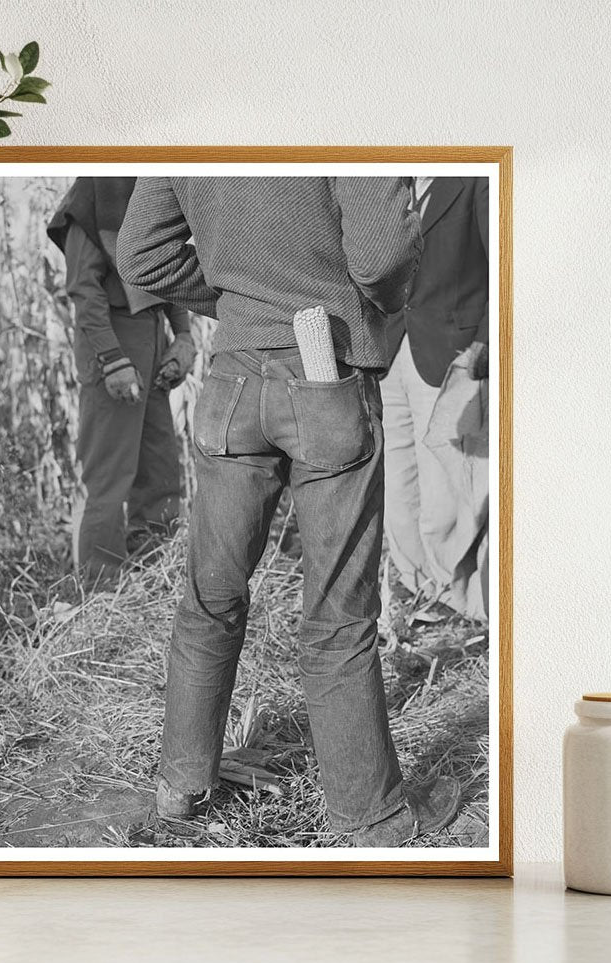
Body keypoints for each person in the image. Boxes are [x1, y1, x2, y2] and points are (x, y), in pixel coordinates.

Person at [118, 177, 462, 847]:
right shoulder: (340, 104)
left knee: (208, 598)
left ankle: (180, 791)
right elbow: (383, 254)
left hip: (232, 383)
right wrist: (374, 309)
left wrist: (237, 297)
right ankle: (374, 818)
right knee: (337, 615)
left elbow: (141, 255)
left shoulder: (189, 124)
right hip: (327, 374)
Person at [47, 177, 196, 585]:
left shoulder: (148, 190)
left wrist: (182, 337)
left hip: (153, 338)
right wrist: (113, 360)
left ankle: (154, 579)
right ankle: (102, 591)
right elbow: (84, 290)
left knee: (160, 468)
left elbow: (167, 267)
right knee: (110, 476)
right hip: (110, 339)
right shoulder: (92, 198)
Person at [380, 176, 490, 620]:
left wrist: (484, 345)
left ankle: (457, 597)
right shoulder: (383, 184)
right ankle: (418, 587)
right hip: (388, 350)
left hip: (451, 354)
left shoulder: (474, 178)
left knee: (446, 485)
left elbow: (507, 264)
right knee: (396, 479)